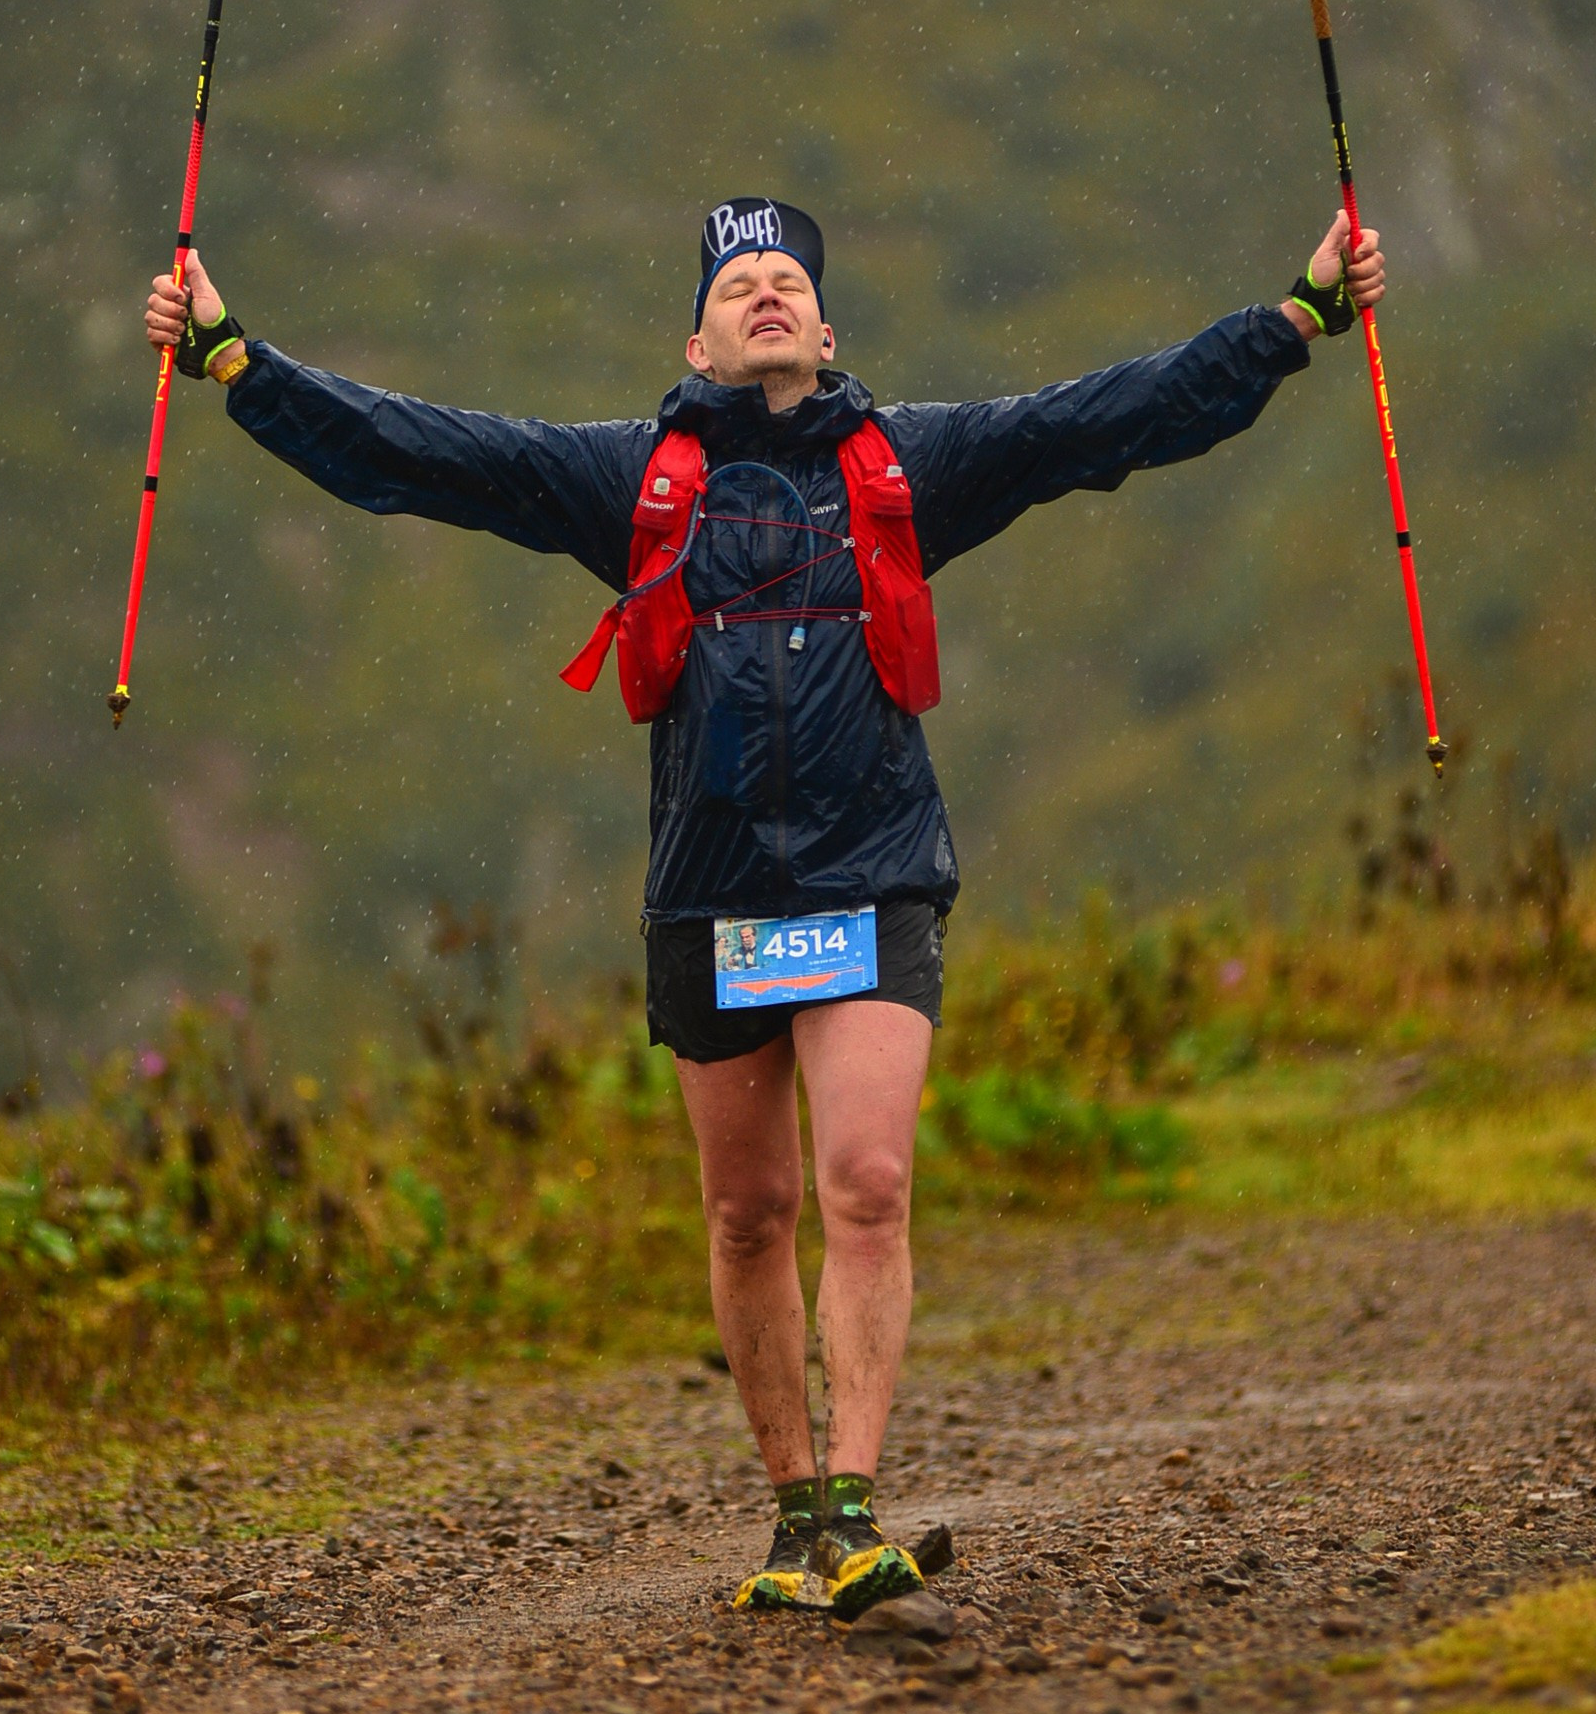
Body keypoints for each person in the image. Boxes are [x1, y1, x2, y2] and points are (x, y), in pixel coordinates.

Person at [143, 194, 1383, 1615]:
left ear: (828, 327)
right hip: (711, 891)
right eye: (742, 284)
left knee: (867, 1184)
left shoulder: (909, 461)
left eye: (790, 278)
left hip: (875, 873)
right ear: (698, 335)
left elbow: (1110, 419)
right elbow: (421, 454)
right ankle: (793, 1519)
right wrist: (235, 361)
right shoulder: (628, 477)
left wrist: (1294, 319)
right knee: (748, 1214)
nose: (769, 294)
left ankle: (856, 1505)